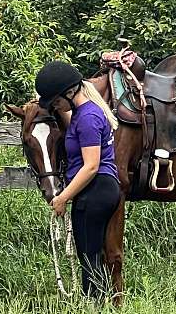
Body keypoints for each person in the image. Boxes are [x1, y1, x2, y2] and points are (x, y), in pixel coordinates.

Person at [35, 61, 121, 300]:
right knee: (91, 253)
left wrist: (63, 197)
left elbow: (91, 165)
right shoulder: (85, 113)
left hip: (96, 189)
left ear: (70, 93)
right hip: (98, 190)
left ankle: (94, 309)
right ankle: (100, 305)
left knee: (90, 255)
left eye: (56, 101)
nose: (56, 107)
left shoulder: (88, 118)